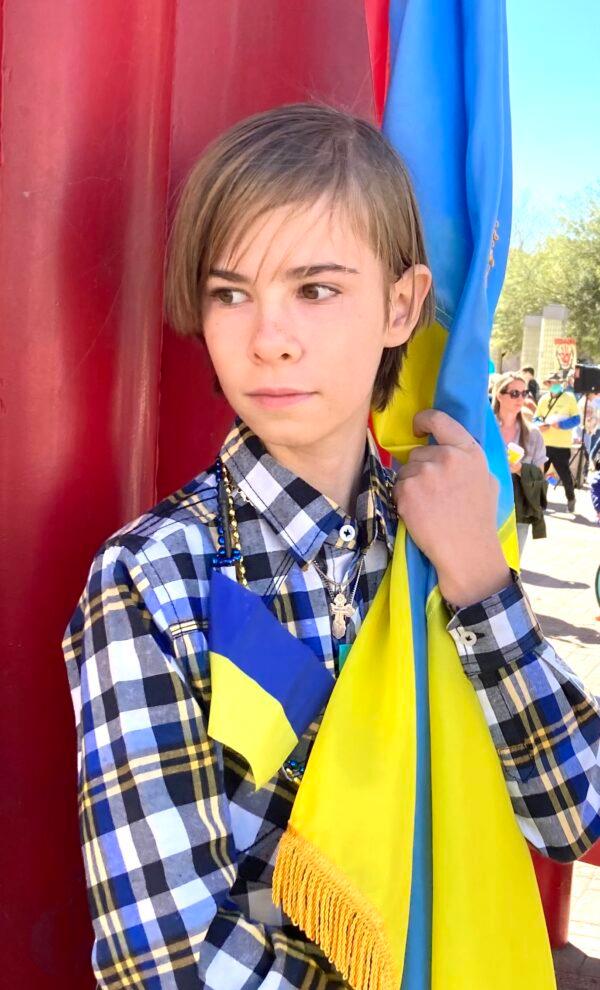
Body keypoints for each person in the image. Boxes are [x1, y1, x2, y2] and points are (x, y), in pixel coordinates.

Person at [63, 105, 600, 988]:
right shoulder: (158, 580)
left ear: (400, 304)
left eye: (315, 289)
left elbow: (569, 809)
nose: (267, 337)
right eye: (231, 292)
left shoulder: (437, 543)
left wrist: (481, 583)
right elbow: (170, 961)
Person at [492, 372, 547, 554]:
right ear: (500, 395)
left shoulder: (533, 434)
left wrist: (520, 468)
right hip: (484, 503)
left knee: (511, 567)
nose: (521, 398)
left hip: (517, 509)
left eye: (524, 393)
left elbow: (540, 473)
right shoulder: (486, 428)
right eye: (515, 393)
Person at [534, 372, 581, 512]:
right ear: (548, 384)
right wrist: (540, 424)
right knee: (541, 475)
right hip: (545, 443)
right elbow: (536, 418)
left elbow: (576, 419)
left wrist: (561, 425)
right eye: (552, 383)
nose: (555, 386)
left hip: (562, 445)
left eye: (557, 383)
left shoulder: (569, 398)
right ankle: (541, 503)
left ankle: (571, 498)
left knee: (564, 475)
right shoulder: (543, 399)